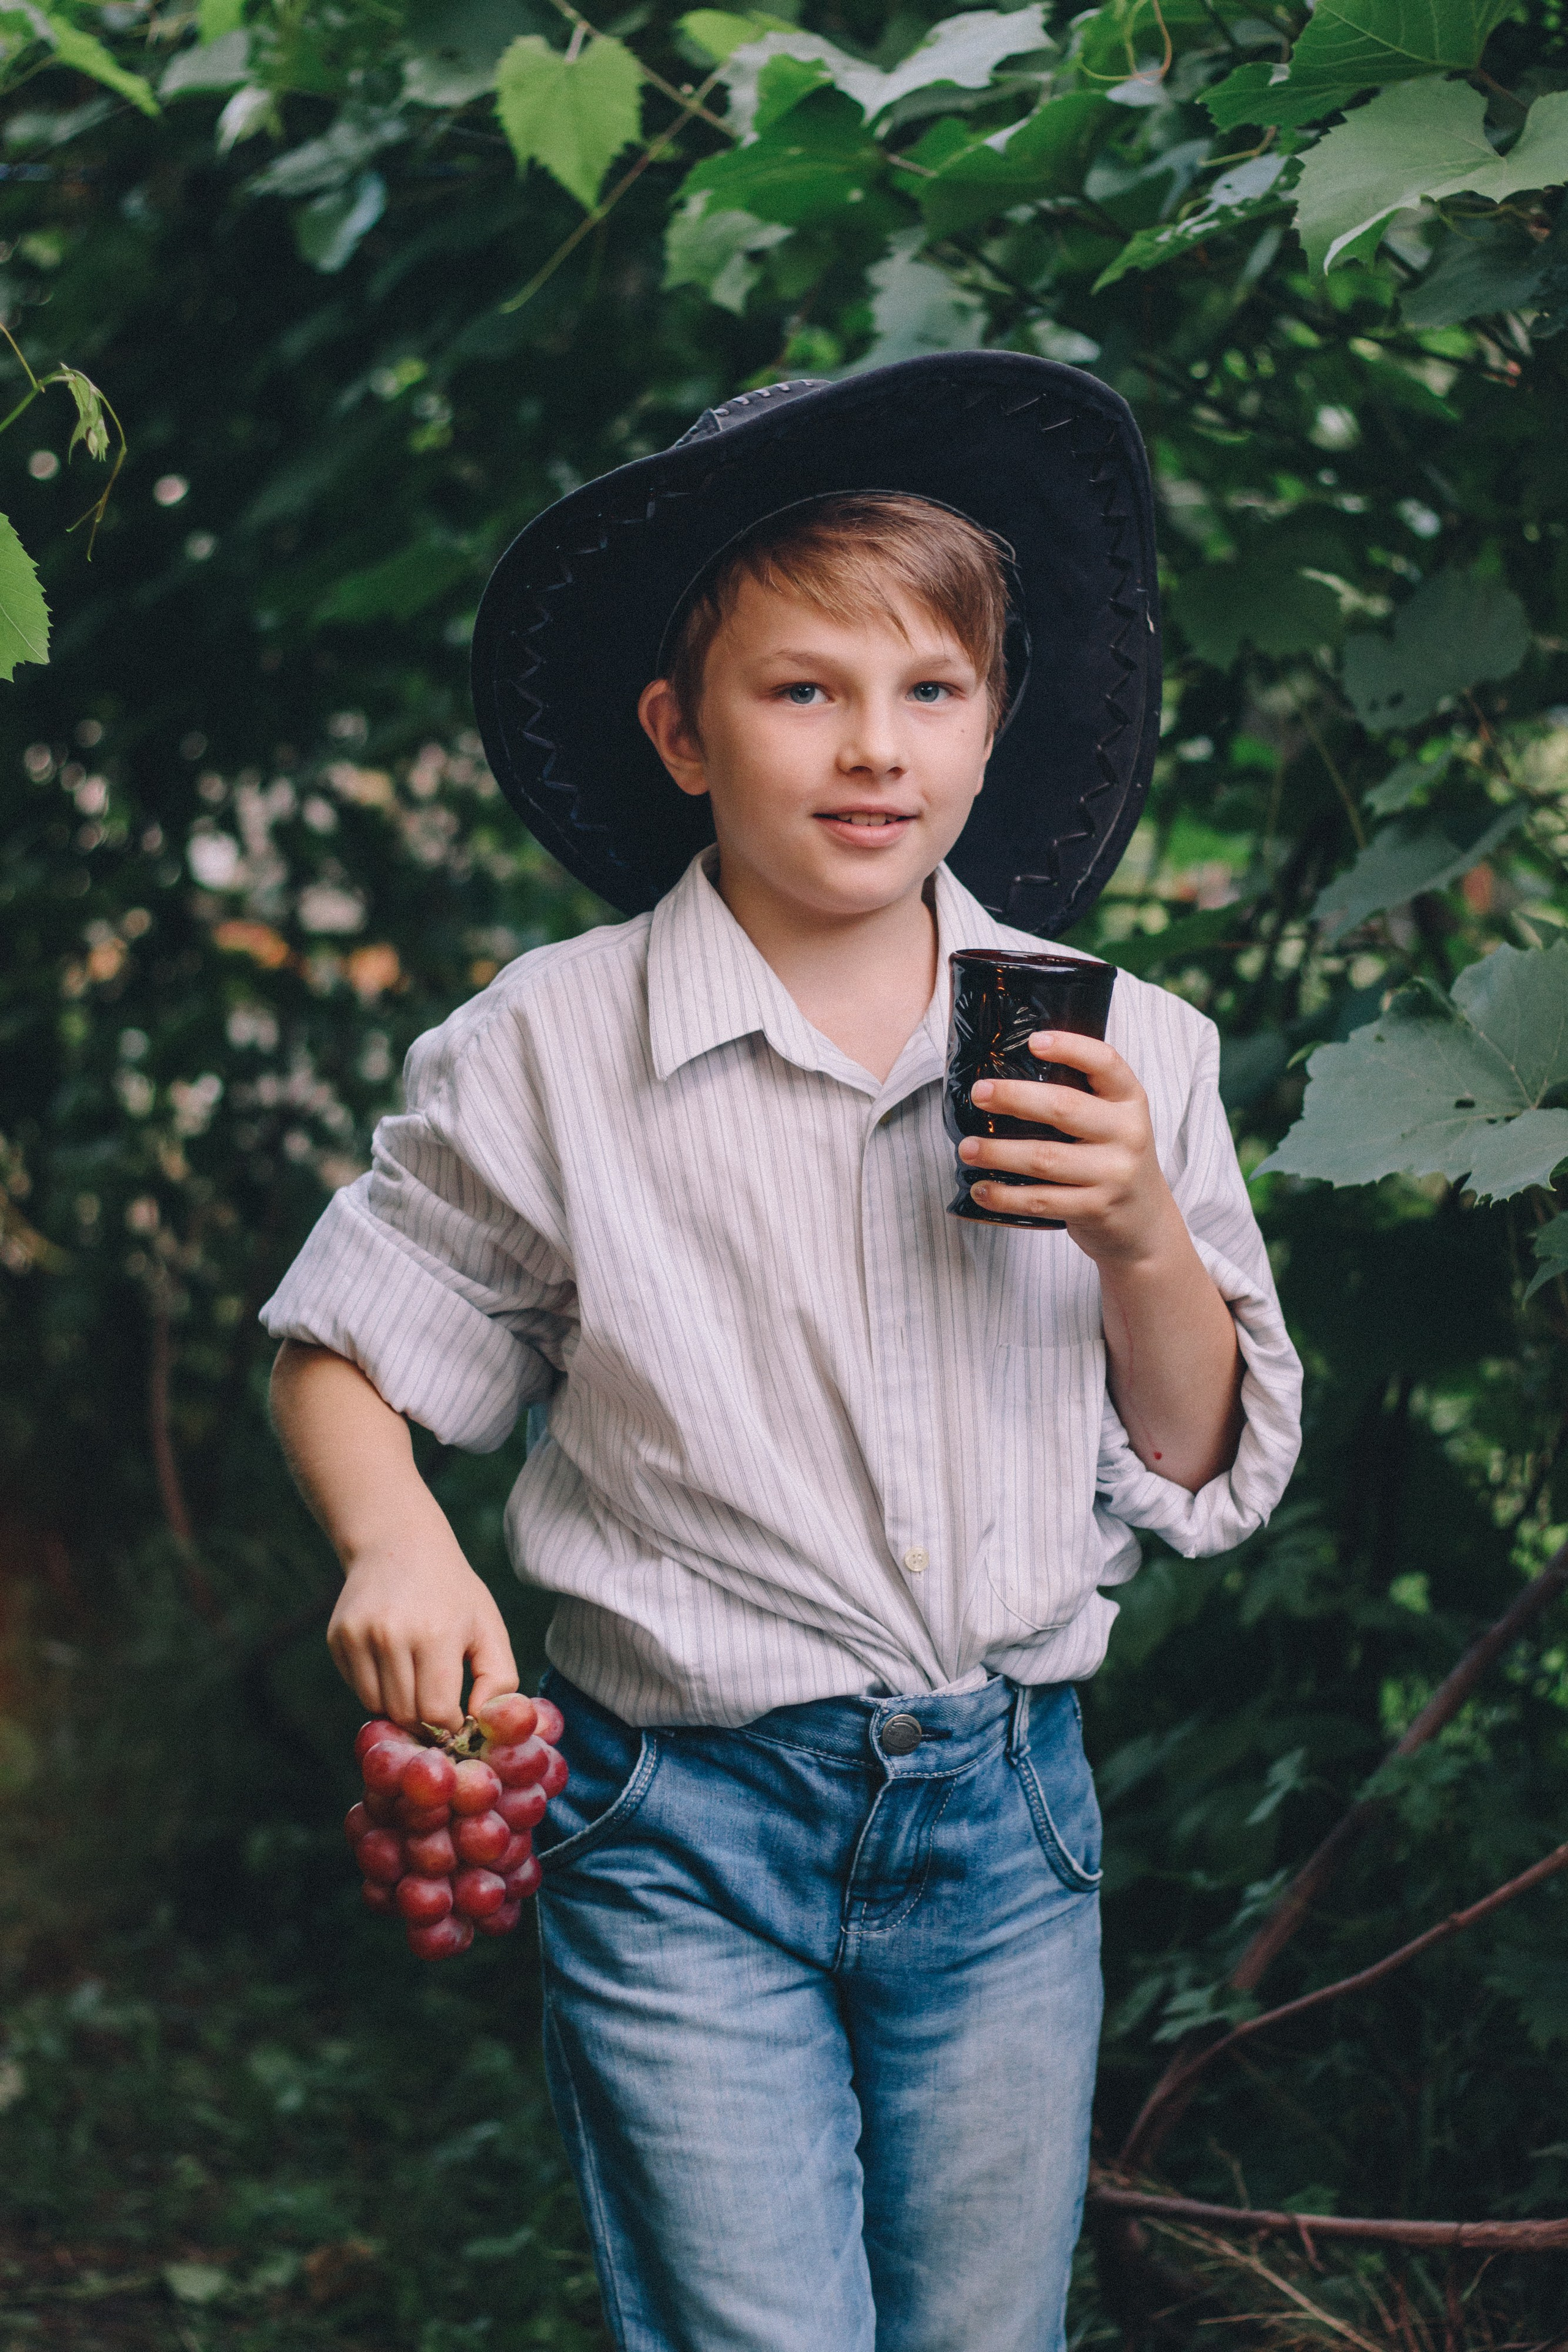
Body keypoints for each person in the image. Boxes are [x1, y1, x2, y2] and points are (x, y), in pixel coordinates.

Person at [264, 354, 1302, 2352]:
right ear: (681, 729)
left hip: (1006, 1826)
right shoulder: (546, 1050)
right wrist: (398, 1541)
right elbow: (349, 1342)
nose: (871, 751)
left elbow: (1195, 1467)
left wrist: (1140, 1230)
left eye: (928, 692)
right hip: (678, 1825)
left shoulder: (1120, 1051)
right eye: (800, 689)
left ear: (994, 732)